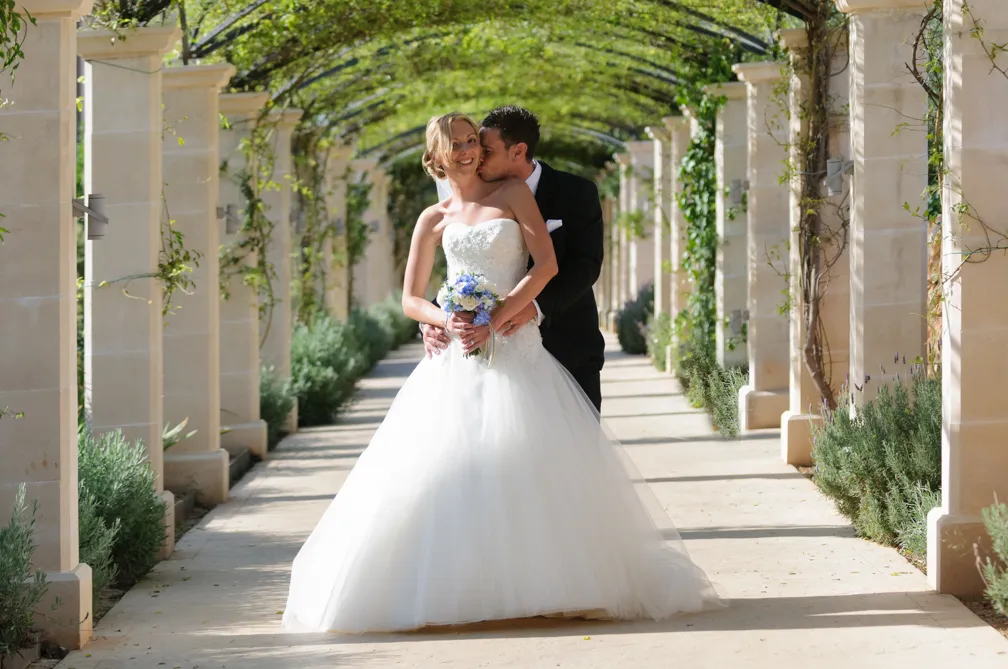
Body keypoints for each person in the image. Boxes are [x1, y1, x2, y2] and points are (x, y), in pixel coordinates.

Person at [281, 112, 722, 634]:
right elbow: (409, 298)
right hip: (455, 358)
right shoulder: (433, 218)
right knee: (452, 467)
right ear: (436, 155)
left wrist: (498, 315)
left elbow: (550, 266)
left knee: (536, 464)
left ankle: (554, 584)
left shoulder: (514, 194)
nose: (468, 151)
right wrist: (445, 318)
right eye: (457, 144)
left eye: (473, 142)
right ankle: (464, 586)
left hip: (518, 346)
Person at [424, 106, 606, 411]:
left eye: (486, 150)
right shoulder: (467, 202)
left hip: (567, 346)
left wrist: (532, 308)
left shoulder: (577, 193)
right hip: (483, 352)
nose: (476, 156)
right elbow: (466, 264)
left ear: (518, 151)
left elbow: (585, 266)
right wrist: (435, 319)